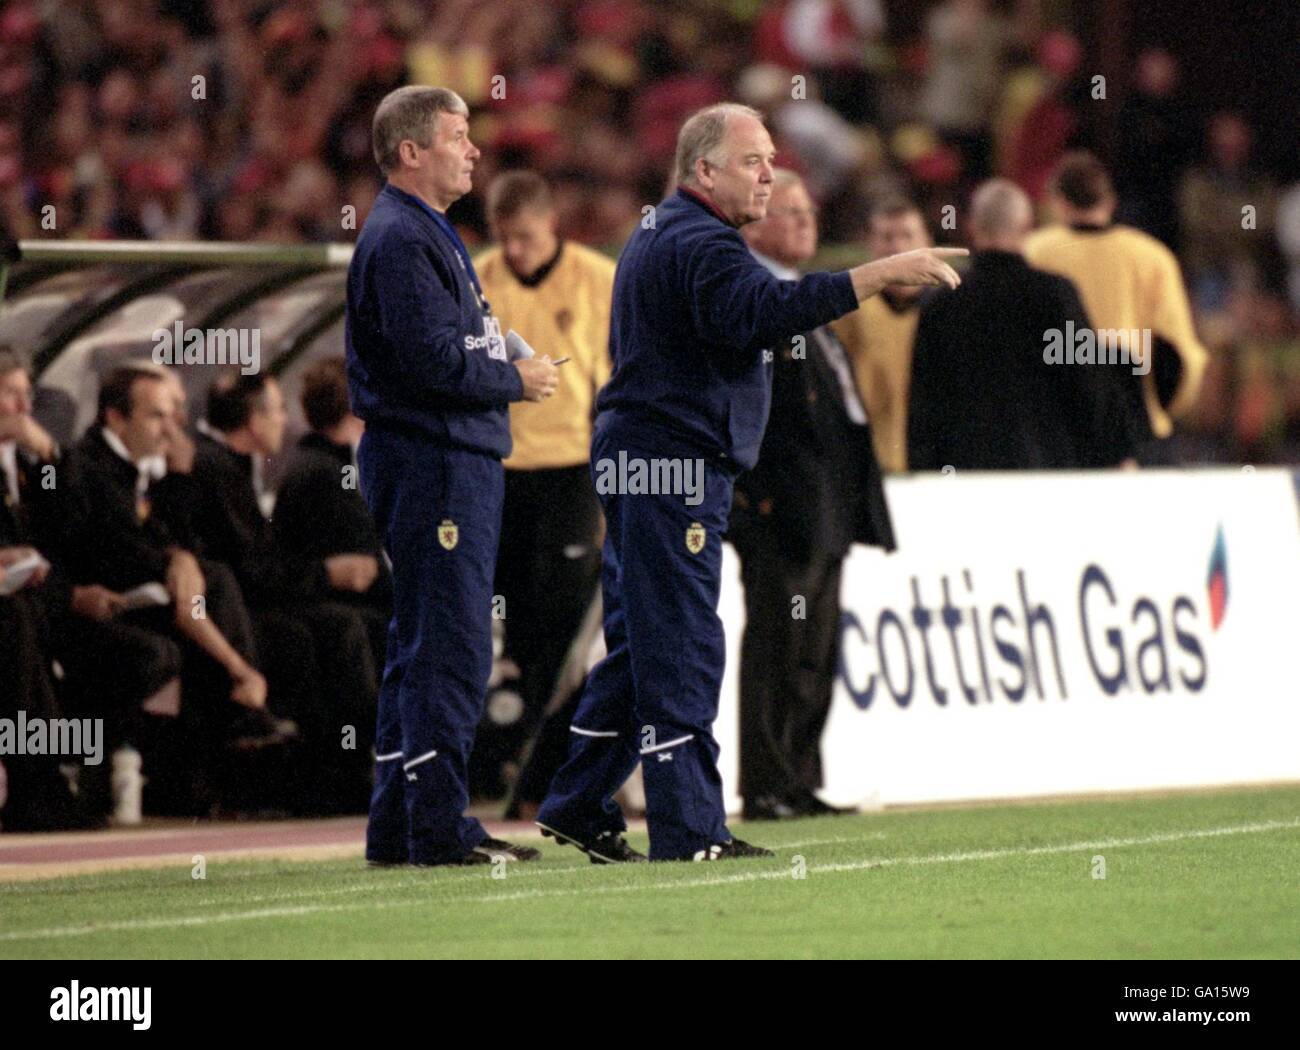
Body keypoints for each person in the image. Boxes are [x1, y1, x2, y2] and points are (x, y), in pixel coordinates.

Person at [535, 102, 966, 863]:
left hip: (646, 459)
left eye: (772, 158)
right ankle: (691, 831)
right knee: (684, 645)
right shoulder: (705, 243)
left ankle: (575, 800)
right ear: (704, 170)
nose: (769, 173)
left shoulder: (667, 231)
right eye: (753, 161)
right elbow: (767, 310)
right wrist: (879, 273)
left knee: (641, 646)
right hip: (671, 466)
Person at [346, 86, 558, 867]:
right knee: (453, 645)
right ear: (411, 151)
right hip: (435, 460)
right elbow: (431, 356)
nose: (474, 150)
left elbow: (454, 338)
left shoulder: (422, 231)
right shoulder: (404, 238)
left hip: (442, 458)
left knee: (423, 643)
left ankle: (401, 825)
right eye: (459, 136)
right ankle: (437, 828)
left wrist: (504, 351)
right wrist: (516, 376)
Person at [732, 170, 896, 821]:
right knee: (779, 644)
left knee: (815, 650)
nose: (805, 222)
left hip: (824, 504)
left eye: (809, 211)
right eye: (790, 212)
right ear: (755, 224)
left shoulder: (800, 298)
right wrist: (758, 498)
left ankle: (799, 778)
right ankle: (766, 784)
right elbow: (755, 409)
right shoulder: (760, 295)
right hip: (781, 510)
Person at [476, 170, 614, 816]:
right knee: (512, 631)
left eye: (526, 237)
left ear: (551, 223)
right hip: (499, 474)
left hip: (571, 472)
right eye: (506, 239)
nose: (517, 251)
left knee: (565, 632)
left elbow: (617, 375)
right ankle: (505, 769)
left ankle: (545, 777)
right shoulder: (480, 278)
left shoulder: (597, 279)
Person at [190, 370, 378, 813]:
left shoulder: (235, 469)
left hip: (251, 606)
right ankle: (349, 772)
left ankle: (345, 771)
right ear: (253, 421)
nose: (283, 421)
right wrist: (325, 576)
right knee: (338, 629)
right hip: (233, 615)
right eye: (276, 411)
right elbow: (253, 572)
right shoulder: (219, 471)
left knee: (336, 628)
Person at [908, 179, 1135, 471]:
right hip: (1048, 473)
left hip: (965, 482)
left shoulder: (940, 305)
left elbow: (923, 410)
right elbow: (1090, 385)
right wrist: (1118, 453)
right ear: (1028, 227)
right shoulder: (1056, 296)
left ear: (971, 227)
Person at [1025, 152, 1208, 462]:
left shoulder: (1034, 252)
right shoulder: (1151, 257)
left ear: (1057, 201)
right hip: (1135, 427)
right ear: (1109, 201)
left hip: (1054, 426)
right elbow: (1178, 350)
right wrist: (1163, 411)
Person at [830, 197, 931, 473]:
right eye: (887, 237)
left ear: (926, 242)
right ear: (870, 245)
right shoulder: (849, 312)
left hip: (933, 467)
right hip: (866, 465)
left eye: (907, 236)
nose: (897, 247)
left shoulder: (947, 310)